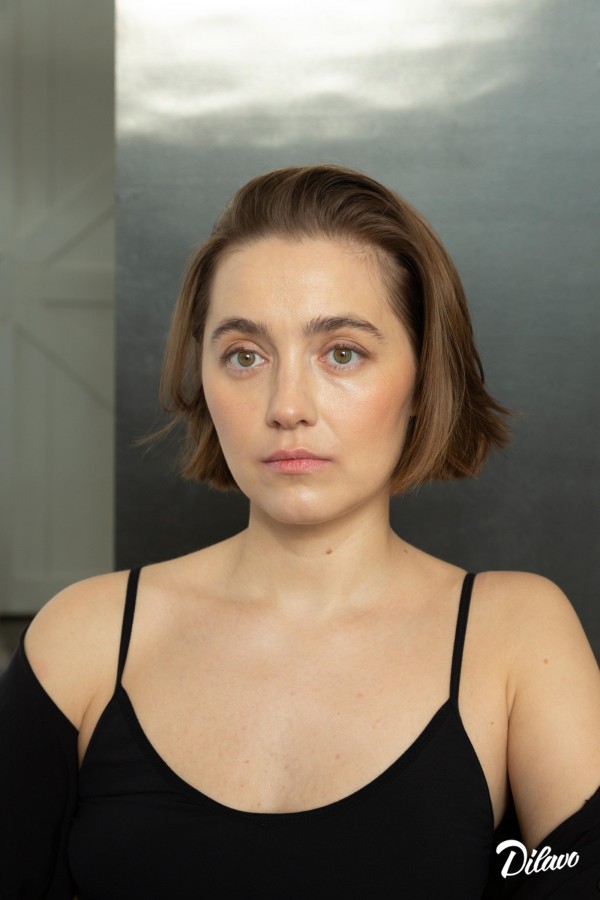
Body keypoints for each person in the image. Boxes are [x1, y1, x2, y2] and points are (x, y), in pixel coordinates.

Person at [1, 164, 599, 899]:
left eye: (342, 352)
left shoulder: (517, 639)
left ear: (423, 378)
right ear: (205, 379)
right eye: (244, 356)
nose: (287, 406)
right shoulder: (82, 642)